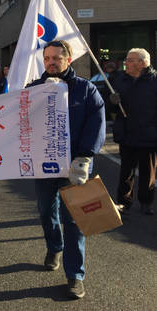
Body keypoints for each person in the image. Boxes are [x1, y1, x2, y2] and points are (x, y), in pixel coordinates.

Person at [28, 40, 105, 300]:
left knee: (74, 220)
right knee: (45, 212)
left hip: (75, 166)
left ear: (68, 60)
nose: (51, 62)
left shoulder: (86, 90)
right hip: (44, 166)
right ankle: (54, 247)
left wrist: (84, 157)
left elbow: (96, 124)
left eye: (56, 58)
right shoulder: (33, 90)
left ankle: (75, 275)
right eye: (47, 58)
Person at [110, 48, 156, 215]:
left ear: (142, 63)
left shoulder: (154, 81)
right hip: (127, 132)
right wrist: (113, 101)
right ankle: (123, 202)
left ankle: (146, 202)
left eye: (130, 60)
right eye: (127, 59)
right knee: (126, 171)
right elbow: (110, 106)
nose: (126, 63)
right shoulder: (120, 80)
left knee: (147, 171)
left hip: (149, 134)